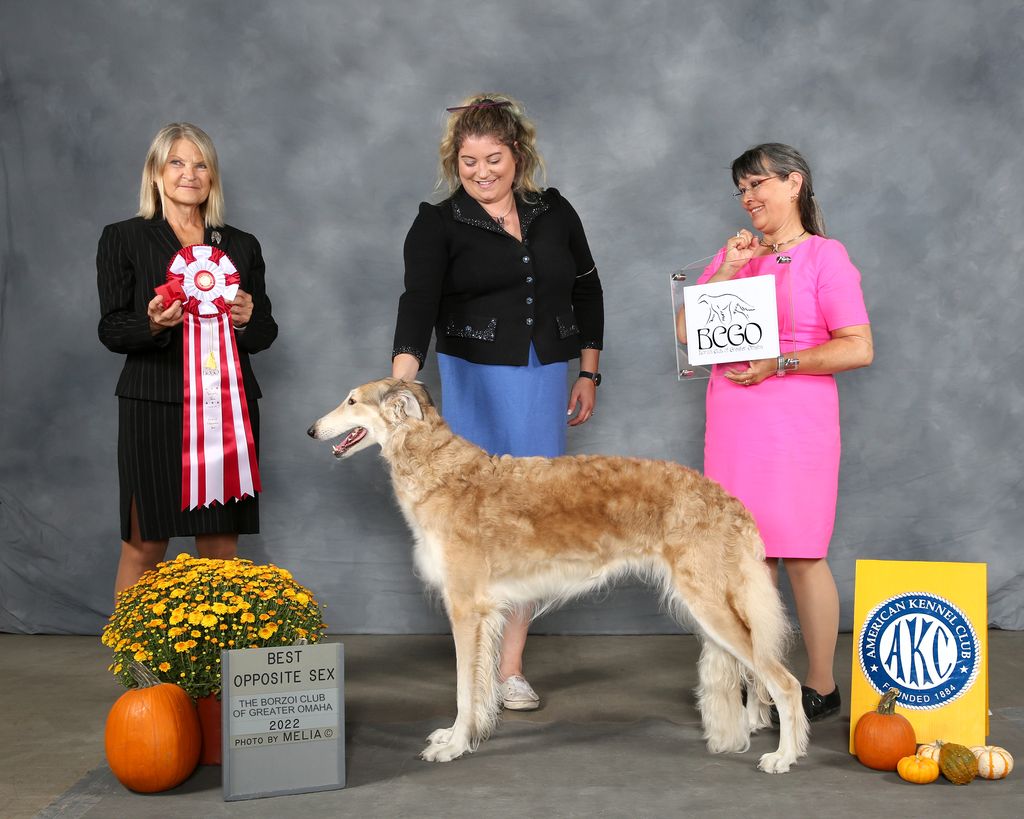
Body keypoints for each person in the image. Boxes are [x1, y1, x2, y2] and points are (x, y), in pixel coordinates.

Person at [392, 94, 604, 710]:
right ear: (453, 163)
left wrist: (588, 371)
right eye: (468, 162)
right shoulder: (436, 222)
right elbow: (417, 303)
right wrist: (402, 380)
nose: (481, 172)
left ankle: (510, 668)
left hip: (544, 377)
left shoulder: (555, 209)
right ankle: (476, 661)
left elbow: (588, 291)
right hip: (474, 377)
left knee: (530, 520)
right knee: (477, 523)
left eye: (494, 158)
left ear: (519, 155)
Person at [677, 143, 872, 721]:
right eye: (741, 189)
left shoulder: (826, 257)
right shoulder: (737, 254)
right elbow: (688, 331)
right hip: (735, 423)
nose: (749, 197)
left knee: (803, 553)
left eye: (759, 184)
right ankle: (757, 677)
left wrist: (781, 363)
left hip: (797, 420)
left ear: (795, 185)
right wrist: (730, 268)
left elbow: (858, 347)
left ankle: (819, 684)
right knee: (745, 556)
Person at [98, 122, 278, 596]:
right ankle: (135, 667)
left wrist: (244, 318)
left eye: (200, 164)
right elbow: (111, 328)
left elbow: (265, 333)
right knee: (145, 541)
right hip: (152, 405)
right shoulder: (123, 238)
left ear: (212, 177)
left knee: (220, 545)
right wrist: (153, 323)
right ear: (156, 173)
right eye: (177, 162)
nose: (189, 174)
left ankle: (213, 664)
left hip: (229, 410)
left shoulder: (241, 245)